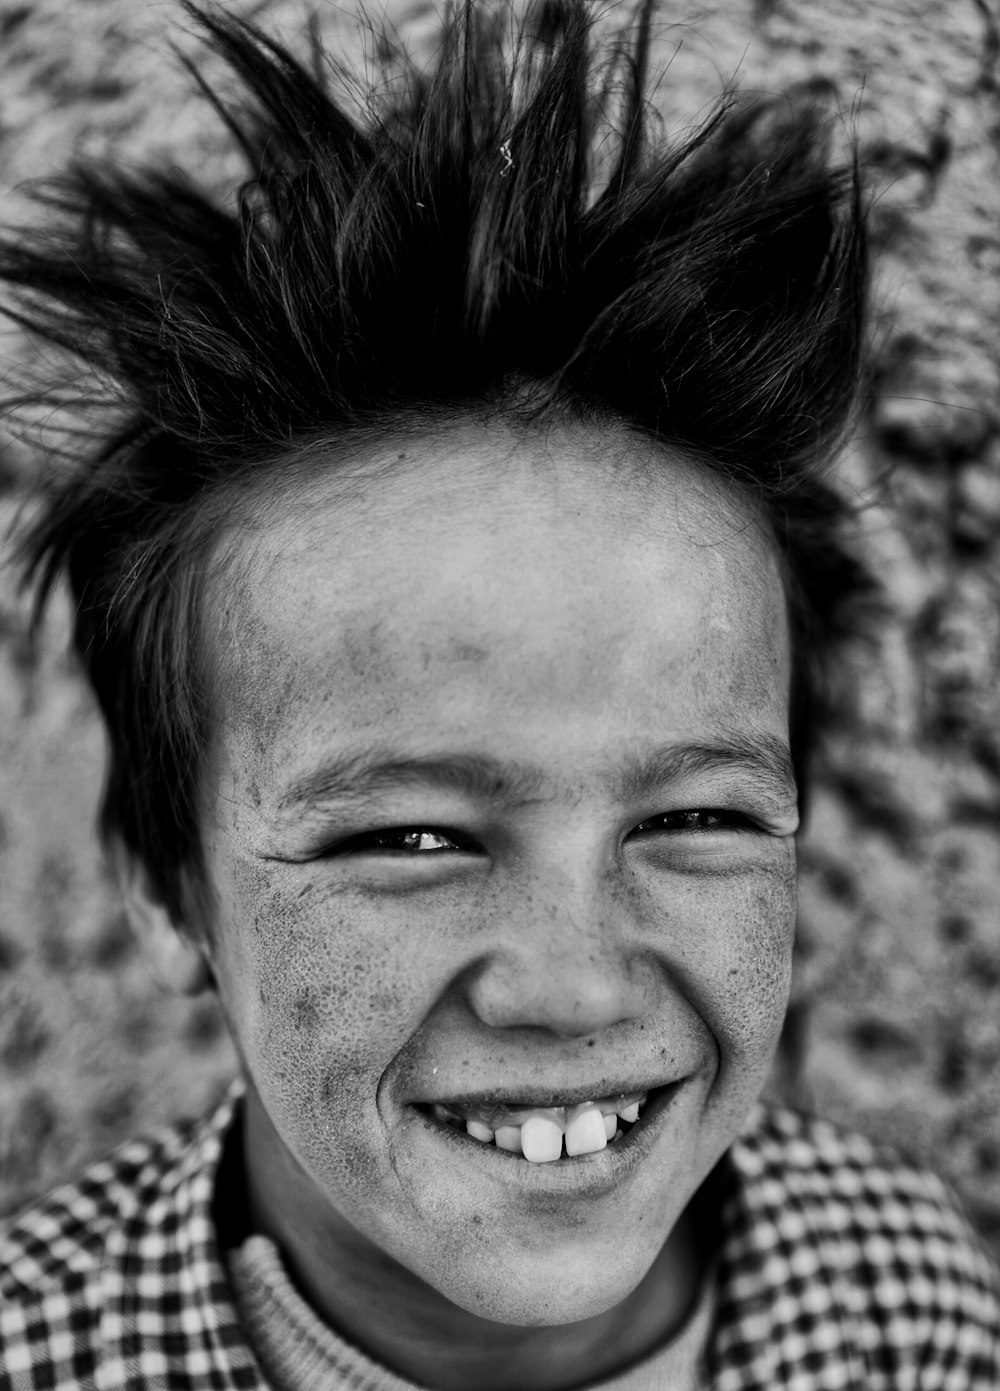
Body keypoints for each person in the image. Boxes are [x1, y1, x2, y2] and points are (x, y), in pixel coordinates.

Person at [0, 1, 997, 1387]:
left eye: (694, 817)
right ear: (170, 892)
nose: (571, 985)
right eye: (407, 837)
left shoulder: (908, 1299)